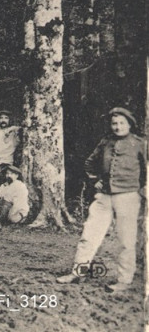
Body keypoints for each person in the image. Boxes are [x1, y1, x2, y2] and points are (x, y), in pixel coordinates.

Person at [56, 107, 146, 293]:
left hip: (128, 196)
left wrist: (144, 189)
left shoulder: (139, 144)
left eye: (122, 123)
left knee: (126, 240)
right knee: (89, 235)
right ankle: (78, 272)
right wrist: (95, 180)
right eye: (114, 123)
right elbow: (89, 163)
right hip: (104, 196)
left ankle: (124, 280)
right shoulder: (106, 142)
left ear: (130, 124)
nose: (118, 127)